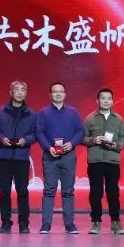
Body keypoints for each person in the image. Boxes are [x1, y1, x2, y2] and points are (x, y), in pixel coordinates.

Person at [35, 82, 84, 235]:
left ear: (65, 94)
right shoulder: (43, 112)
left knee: (68, 191)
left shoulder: (73, 112)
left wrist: (71, 143)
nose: (58, 94)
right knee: (49, 190)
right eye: (55, 91)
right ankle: (46, 225)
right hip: (50, 156)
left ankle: (70, 225)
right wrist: (48, 147)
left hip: (68, 156)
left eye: (61, 91)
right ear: (50, 95)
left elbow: (80, 131)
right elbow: (39, 132)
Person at [0, 80, 36, 234]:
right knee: (4, 192)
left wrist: (26, 140)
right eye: (16, 89)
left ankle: (23, 224)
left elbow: (35, 134)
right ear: (10, 92)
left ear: (26, 93)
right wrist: (2, 138)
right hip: (4, 157)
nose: (19, 92)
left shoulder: (32, 114)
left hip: (21, 158)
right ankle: (5, 223)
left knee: (22, 191)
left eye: (23, 90)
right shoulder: (0, 111)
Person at [83, 88, 124, 235]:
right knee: (96, 193)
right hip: (95, 161)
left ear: (112, 101)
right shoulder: (90, 118)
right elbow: (82, 138)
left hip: (112, 160)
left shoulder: (118, 119)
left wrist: (116, 145)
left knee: (113, 192)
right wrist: (94, 140)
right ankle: (96, 222)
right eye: (103, 98)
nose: (106, 101)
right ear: (98, 101)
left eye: (109, 98)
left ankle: (116, 222)